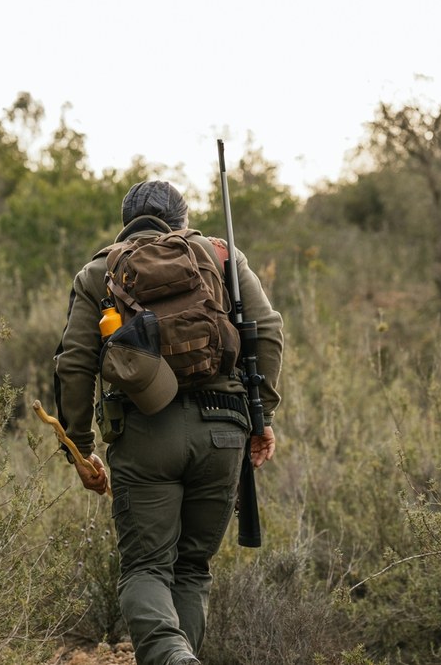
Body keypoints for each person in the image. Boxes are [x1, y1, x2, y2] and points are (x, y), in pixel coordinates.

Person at [53, 180, 283, 665]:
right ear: (182, 219)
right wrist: (261, 414)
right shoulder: (222, 258)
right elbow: (267, 331)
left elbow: (74, 362)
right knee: (192, 570)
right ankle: (178, 657)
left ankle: (171, 658)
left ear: (126, 221)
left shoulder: (100, 271)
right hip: (223, 432)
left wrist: (78, 444)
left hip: (145, 434)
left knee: (145, 569)